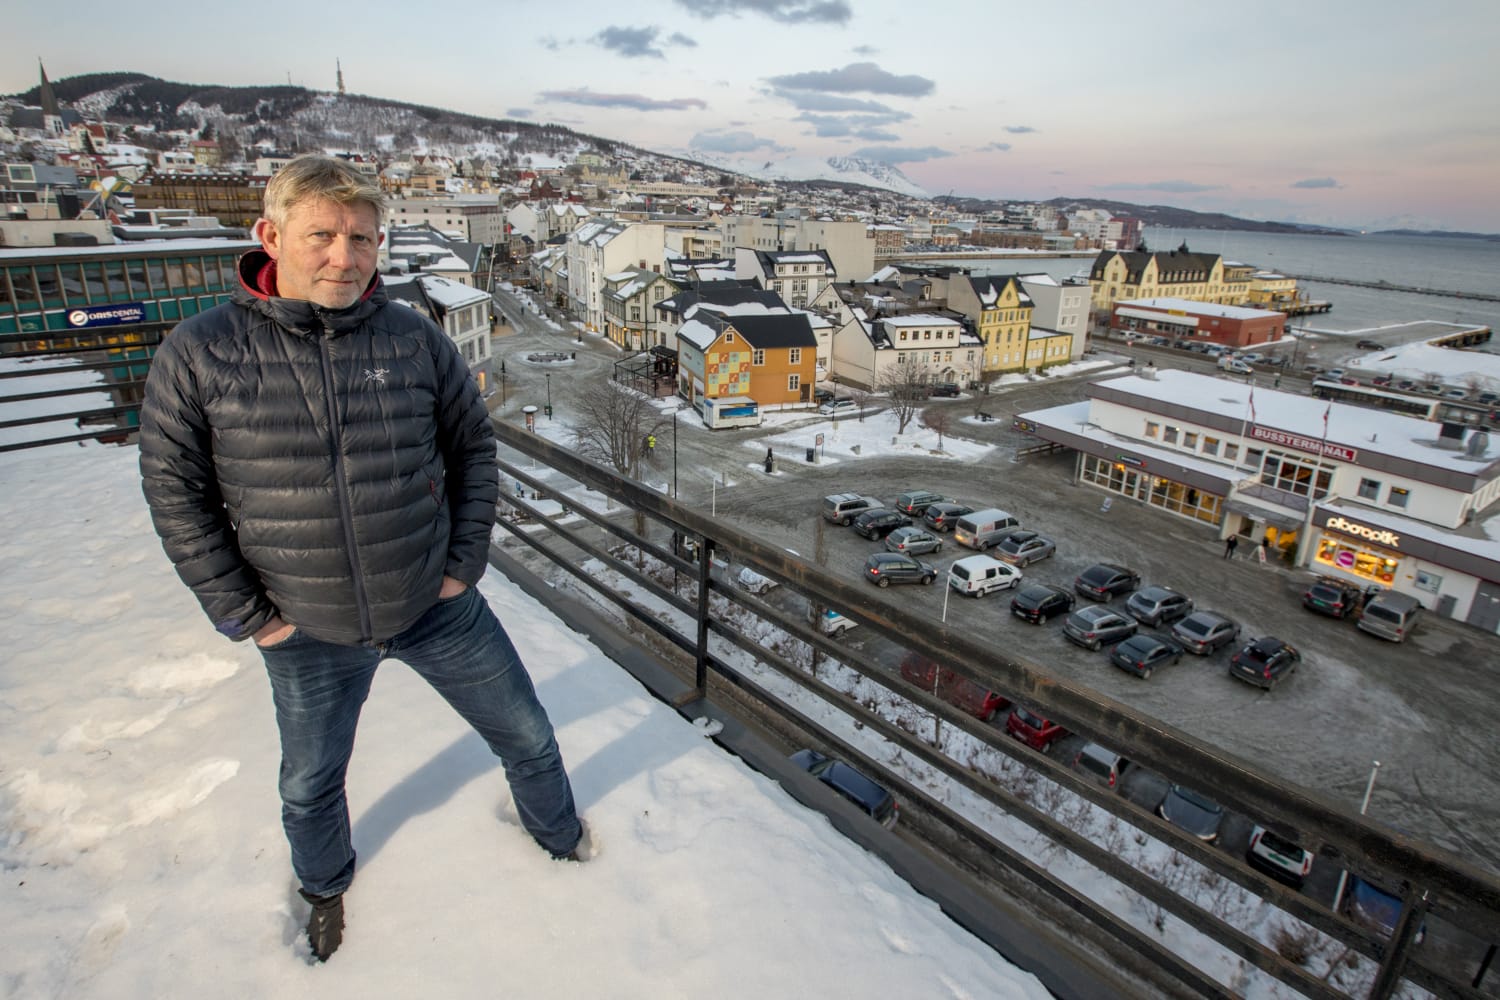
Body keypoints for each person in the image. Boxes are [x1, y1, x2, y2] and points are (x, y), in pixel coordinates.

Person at [138, 155, 589, 964]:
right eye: (322, 235)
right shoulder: (201, 351)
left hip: (433, 605)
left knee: (527, 735)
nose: (344, 257)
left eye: (362, 238)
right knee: (310, 784)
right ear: (271, 235)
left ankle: (564, 846)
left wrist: (462, 565)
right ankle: (323, 891)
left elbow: (473, 447)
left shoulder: (412, 337)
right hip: (305, 625)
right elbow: (177, 495)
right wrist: (251, 617)